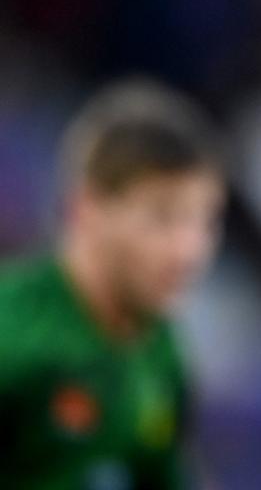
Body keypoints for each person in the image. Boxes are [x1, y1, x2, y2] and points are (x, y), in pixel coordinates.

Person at [0, 80, 225, 489]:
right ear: (85, 210)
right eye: (163, 217)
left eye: (205, 221)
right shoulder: (13, 336)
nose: (190, 250)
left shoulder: (161, 351)